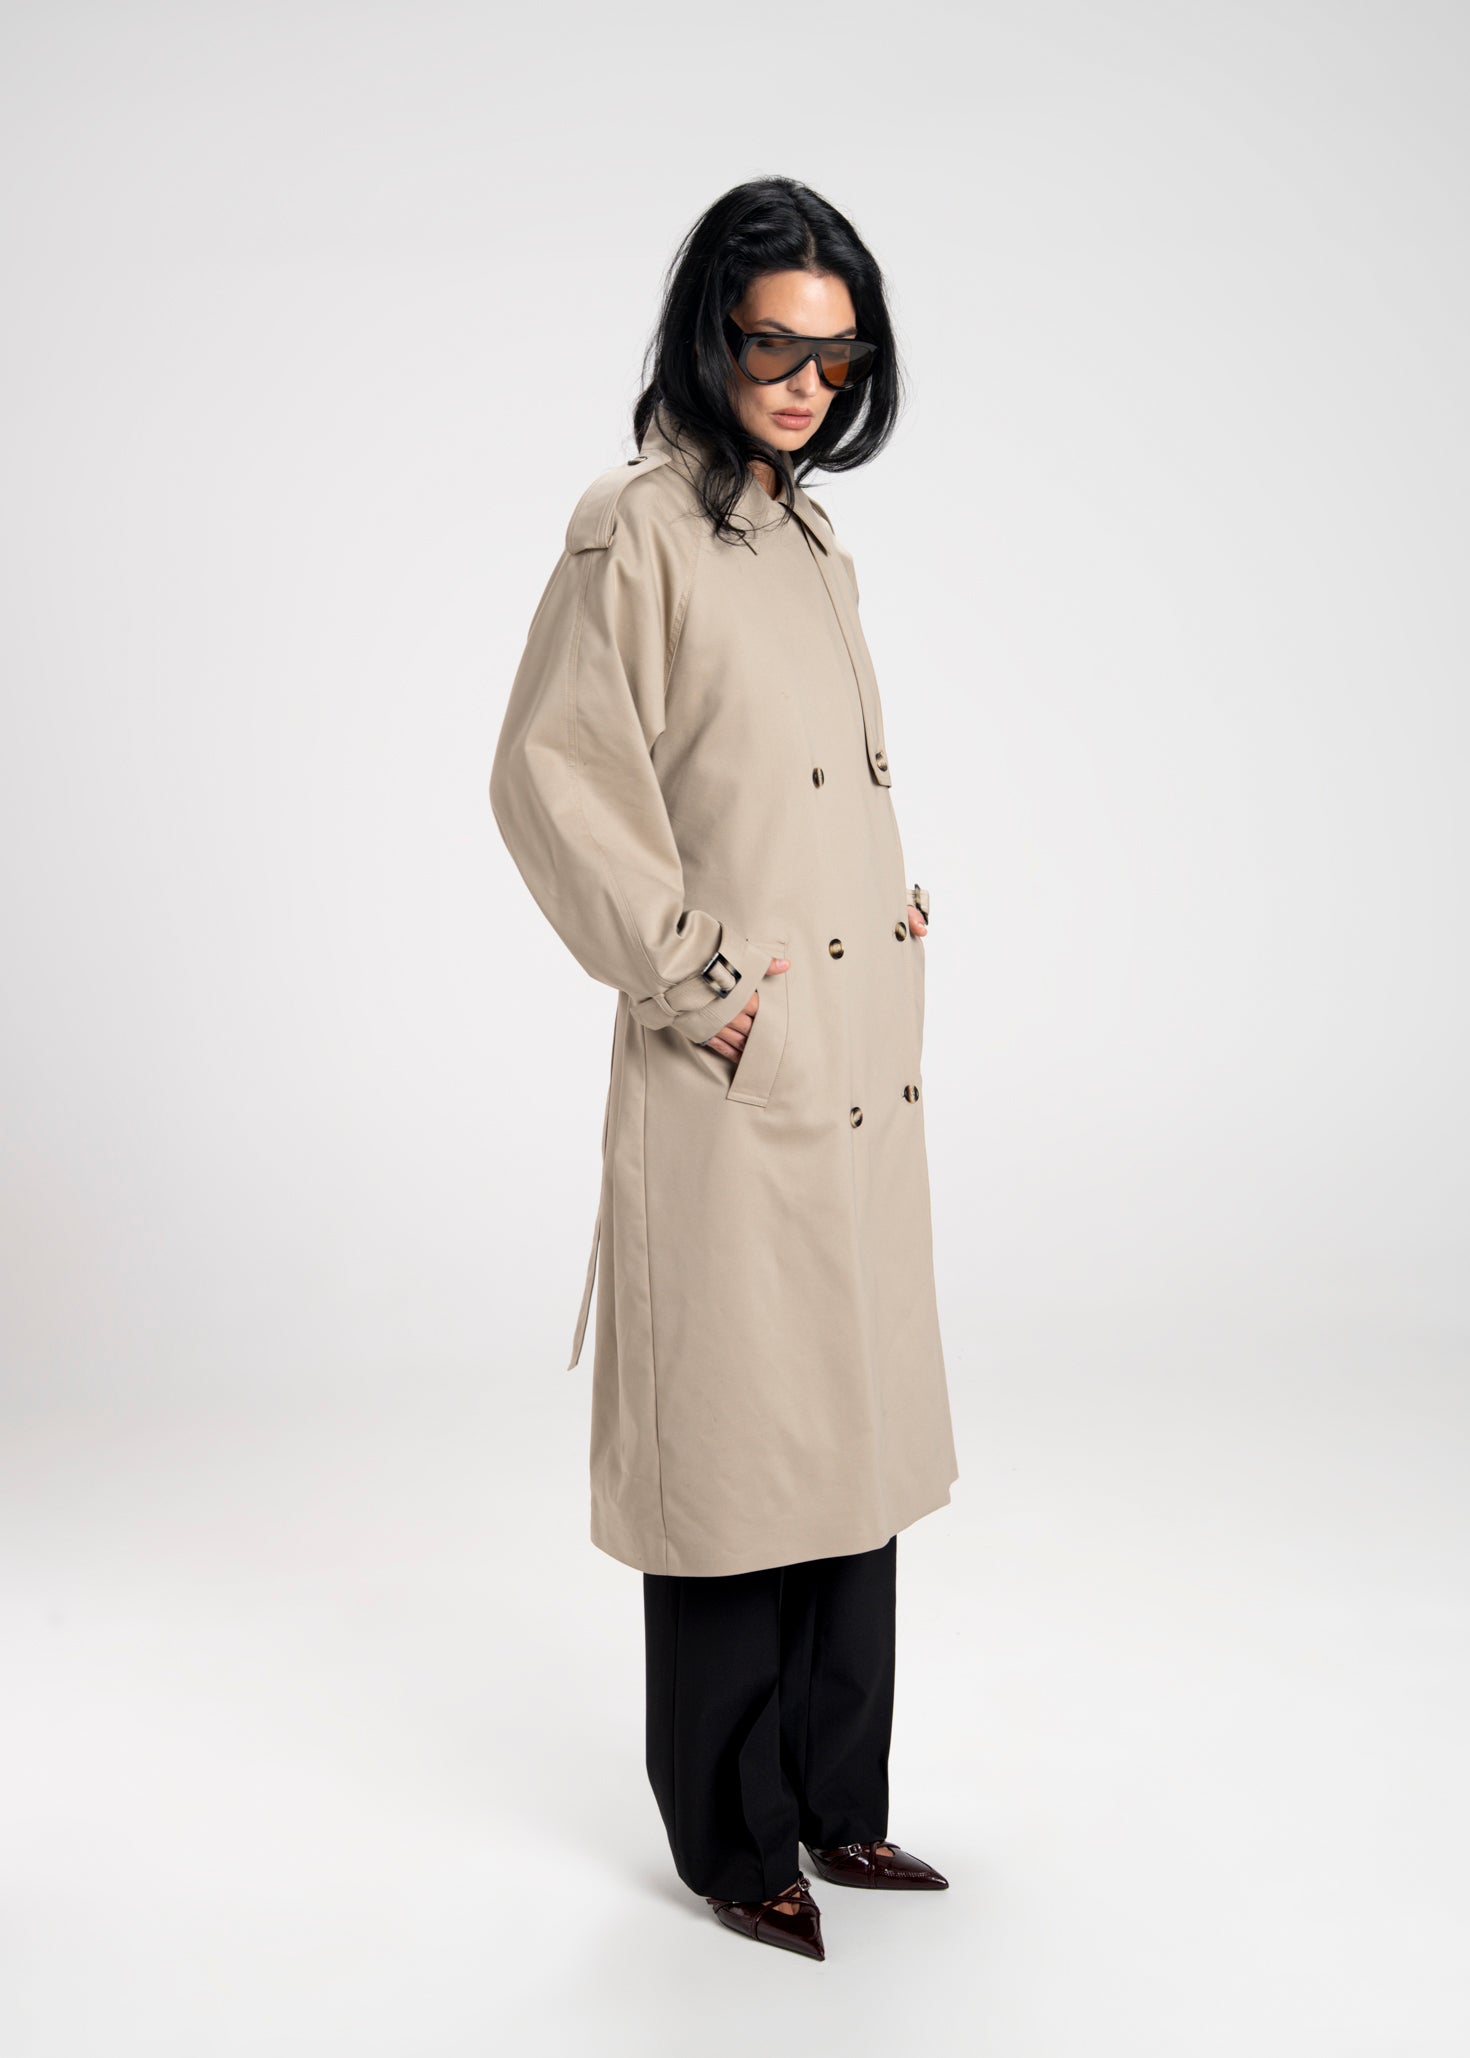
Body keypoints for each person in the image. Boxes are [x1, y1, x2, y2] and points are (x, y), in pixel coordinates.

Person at [488, 176, 958, 1961]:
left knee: (846, 1434)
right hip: (735, 1065)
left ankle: (842, 1801)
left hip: (853, 1057)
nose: (805, 383)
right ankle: (732, 1836)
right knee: (735, 1455)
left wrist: (890, 919)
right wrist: (698, 979)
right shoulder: (637, 530)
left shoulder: (813, 540)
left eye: (837, 356)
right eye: (774, 345)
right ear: (710, 334)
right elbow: (552, 779)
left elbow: (795, 792)